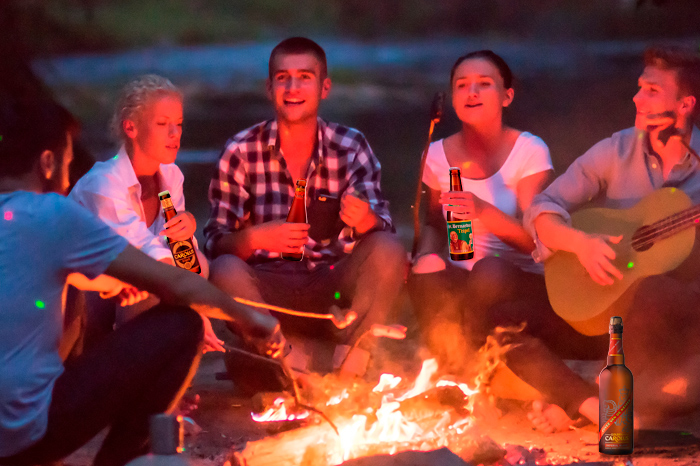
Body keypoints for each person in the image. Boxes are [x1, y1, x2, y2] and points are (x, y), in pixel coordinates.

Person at [0, 98, 284, 466]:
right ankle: (121, 460)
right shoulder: (51, 213)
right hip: (23, 436)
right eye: (68, 165)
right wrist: (249, 318)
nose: (69, 180)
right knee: (181, 325)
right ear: (48, 163)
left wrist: (124, 282)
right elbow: (178, 284)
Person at [499, 45, 700, 432]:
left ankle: (616, 409)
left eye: (652, 91)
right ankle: (590, 405)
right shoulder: (618, 148)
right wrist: (580, 244)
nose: (636, 97)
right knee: (503, 323)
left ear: (685, 105)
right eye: (639, 86)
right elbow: (543, 205)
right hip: (603, 309)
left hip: (669, 324)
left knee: (654, 290)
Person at [204, 37, 406, 378]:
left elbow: (383, 227)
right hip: (267, 293)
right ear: (269, 88)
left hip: (333, 290)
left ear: (324, 87)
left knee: (388, 248)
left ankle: (350, 364)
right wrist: (254, 239)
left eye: (305, 77)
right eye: (283, 78)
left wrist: (366, 218)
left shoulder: (351, 146)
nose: (293, 87)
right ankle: (292, 362)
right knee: (224, 269)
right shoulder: (241, 150)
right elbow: (213, 242)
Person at [408, 50, 553, 376]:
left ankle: (468, 360)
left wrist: (483, 212)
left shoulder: (529, 151)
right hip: (462, 276)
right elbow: (433, 223)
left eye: (484, 84)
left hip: (518, 281)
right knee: (426, 265)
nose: (471, 92)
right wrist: (424, 259)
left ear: (507, 96)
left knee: (489, 270)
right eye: (462, 85)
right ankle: (449, 364)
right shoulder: (434, 155)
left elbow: (539, 241)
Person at [69, 75, 221, 351]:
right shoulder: (104, 183)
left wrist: (185, 230)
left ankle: (167, 377)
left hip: (135, 279)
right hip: (84, 296)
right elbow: (141, 253)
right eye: (163, 124)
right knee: (151, 279)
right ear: (131, 127)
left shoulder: (170, 176)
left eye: (179, 124)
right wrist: (199, 310)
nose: (175, 134)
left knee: (195, 263)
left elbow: (177, 252)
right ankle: (133, 375)